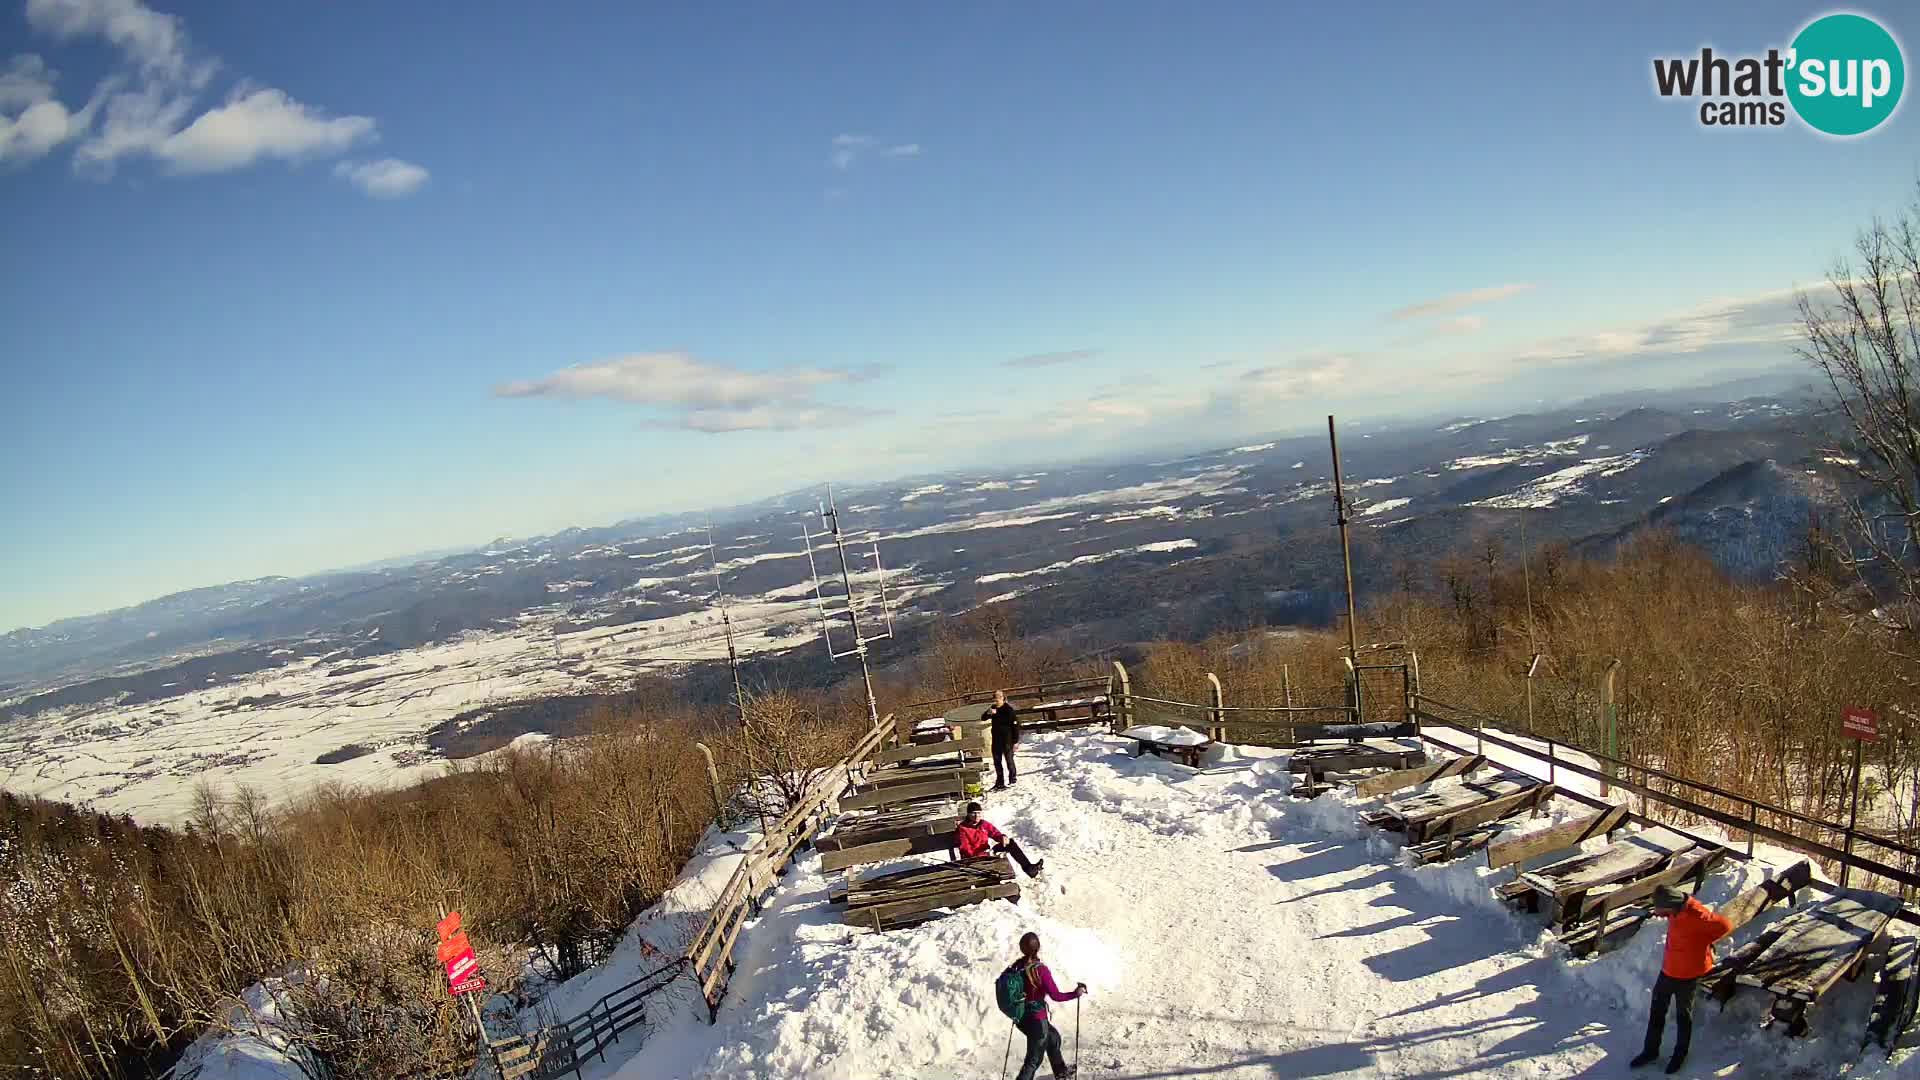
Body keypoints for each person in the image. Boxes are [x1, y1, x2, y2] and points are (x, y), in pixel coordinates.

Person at [1632, 885, 1732, 1074]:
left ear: (1671, 906)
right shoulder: (1675, 911)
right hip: (1668, 970)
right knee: (1656, 1012)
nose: (1658, 914)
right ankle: (1650, 1051)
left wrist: (1705, 942)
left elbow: (1724, 926)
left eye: (1660, 910)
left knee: (1683, 1016)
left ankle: (1680, 1055)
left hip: (1688, 976)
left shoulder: (1698, 916)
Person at [1006, 931, 1084, 1080]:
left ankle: (1061, 1072)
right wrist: (1076, 993)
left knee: (1053, 1038)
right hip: (1037, 1019)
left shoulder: (1017, 967)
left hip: (1021, 1018)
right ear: (1037, 948)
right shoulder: (1040, 970)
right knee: (1033, 1061)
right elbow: (1056, 996)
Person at [952, 801, 1044, 877]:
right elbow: (965, 848)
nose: (976, 816)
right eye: (973, 813)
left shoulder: (983, 824)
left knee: (1010, 843)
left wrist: (1002, 837)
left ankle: (1030, 869)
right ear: (968, 814)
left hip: (987, 853)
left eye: (979, 813)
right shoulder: (962, 828)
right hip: (973, 859)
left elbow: (995, 833)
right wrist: (983, 854)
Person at [985, 688, 1020, 789]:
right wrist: (989, 713)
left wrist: (1015, 741)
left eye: (997, 700)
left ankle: (1012, 779)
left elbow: (1015, 726)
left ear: (1002, 699)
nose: (995, 702)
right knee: (997, 761)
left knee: (1009, 760)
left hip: (1007, 740)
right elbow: (983, 717)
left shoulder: (1008, 710)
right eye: (994, 700)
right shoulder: (993, 708)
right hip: (996, 739)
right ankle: (999, 781)